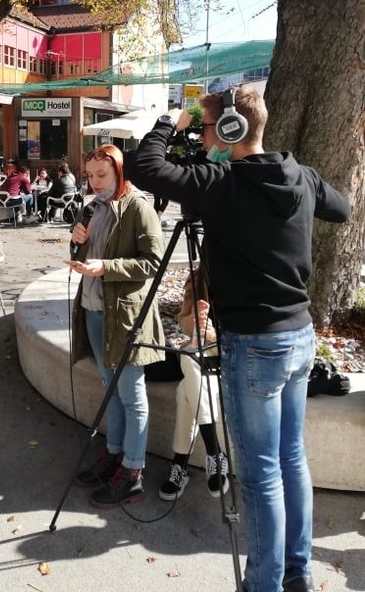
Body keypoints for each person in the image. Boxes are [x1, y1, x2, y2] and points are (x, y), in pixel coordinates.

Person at [124, 85, 350, 592]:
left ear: (229, 130)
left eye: (205, 129)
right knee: (292, 458)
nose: (201, 139)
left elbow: (143, 166)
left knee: (262, 474)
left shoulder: (222, 184)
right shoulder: (300, 175)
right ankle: (297, 571)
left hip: (253, 347)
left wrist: (170, 122)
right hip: (299, 337)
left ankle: (264, 584)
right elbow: (344, 209)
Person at [68, 144, 165, 508]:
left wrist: (107, 268)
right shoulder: (94, 207)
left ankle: (133, 471)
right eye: (90, 176)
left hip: (124, 315)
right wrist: (77, 243)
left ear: (120, 171)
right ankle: (113, 454)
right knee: (110, 388)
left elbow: (153, 263)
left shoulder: (140, 207)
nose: (94, 183)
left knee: (131, 394)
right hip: (94, 309)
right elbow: (85, 256)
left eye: (101, 175)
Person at [159, 266, 228, 501]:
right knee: (189, 360)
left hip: (233, 358)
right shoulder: (200, 276)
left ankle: (180, 462)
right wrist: (195, 321)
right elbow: (185, 326)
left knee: (185, 387)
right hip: (202, 359)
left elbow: (251, 332)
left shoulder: (243, 272)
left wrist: (213, 335)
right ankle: (215, 453)